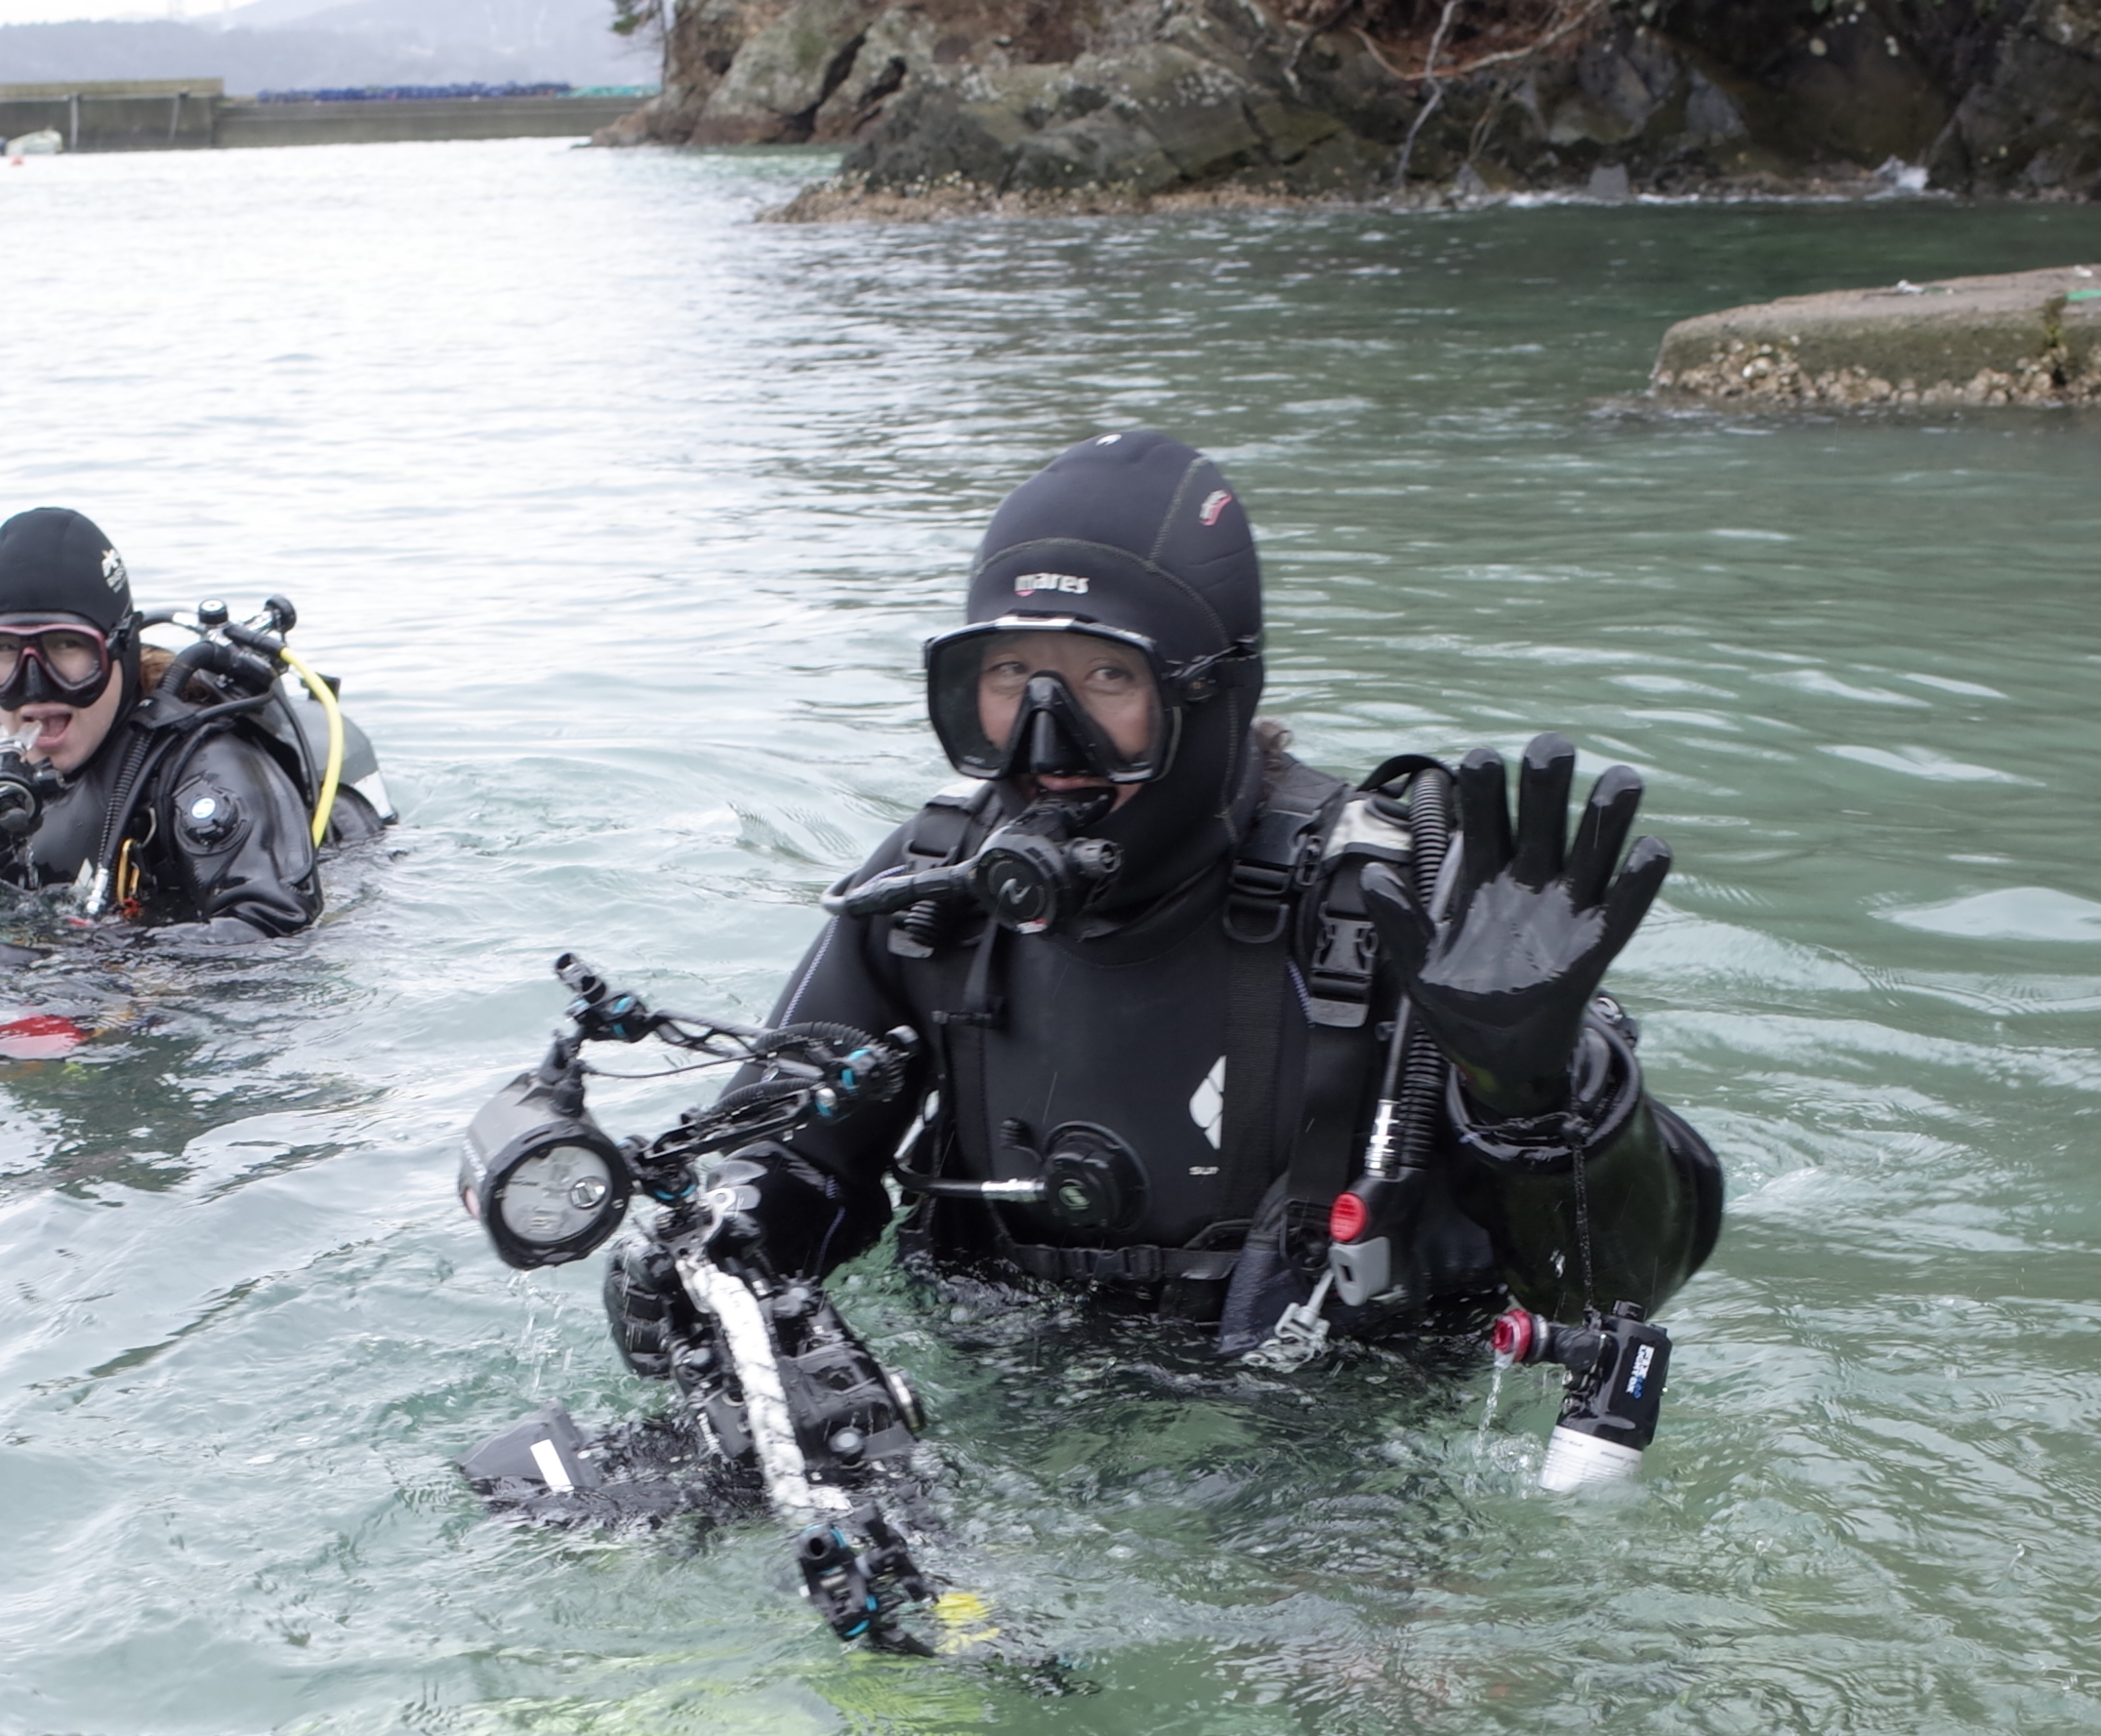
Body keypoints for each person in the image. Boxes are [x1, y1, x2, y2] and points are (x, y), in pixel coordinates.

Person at [591, 430, 1718, 1420]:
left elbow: (1615, 1289)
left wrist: (1533, 1091)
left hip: (1335, 1438)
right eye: (1010, 677)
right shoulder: (932, 894)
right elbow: (795, 1156)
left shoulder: (1392, 905)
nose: (1047, 741)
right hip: (1001, 1394)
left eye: (1104, 679)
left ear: (1209, 695)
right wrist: (712, 1253)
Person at [0, 506, 386, 932]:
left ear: (122, 650)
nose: (34, 685)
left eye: (66, 648)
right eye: (3, 651)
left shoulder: (200, 766)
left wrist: (84, 976)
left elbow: (275, 927)